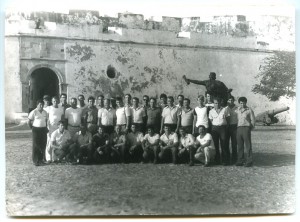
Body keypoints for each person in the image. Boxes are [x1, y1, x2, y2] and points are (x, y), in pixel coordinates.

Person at [209, 98, 230, 165]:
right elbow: (211, 120)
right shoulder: (211, 111)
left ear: (220, 103)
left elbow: (228, 119)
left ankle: (224, 160)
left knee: (223, 143)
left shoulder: (225, 110)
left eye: (218, 103)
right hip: (215, 128)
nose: (217, 104)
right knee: (215, 144)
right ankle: (217, 160)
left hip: (223, 128)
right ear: (213, 104)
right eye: (215, 103)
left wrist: (225, 126)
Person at [236, 97, 255, 167]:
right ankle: (240, 160)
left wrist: (250, 128)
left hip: (246, 128)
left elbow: (253, 120)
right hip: (239, 128)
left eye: (243, 103)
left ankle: (249, 161)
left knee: (248, 145)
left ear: (246, 102)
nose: (242, 104)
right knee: (240, 145)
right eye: (241, 103)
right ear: (239, 103)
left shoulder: (249, 110)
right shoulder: (237, 110)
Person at [28, 99, 48, 166]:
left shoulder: (45, 112)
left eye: (42, 104)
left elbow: (46, 121)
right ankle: (35, 160)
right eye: (40, 104)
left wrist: (46, 128)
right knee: (36, 145)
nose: (41, 106)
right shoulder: (34, 112)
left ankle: (41, 160)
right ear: (37, 105)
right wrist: (32, 128)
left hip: (43, 130)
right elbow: (29, 121)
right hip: (36, 130)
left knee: (42, 144)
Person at [45, 96, 64, 162]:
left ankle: (54, 158)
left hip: (58, 127)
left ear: (58, 101)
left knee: (56, 142)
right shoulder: (49, 108)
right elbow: (47, 118)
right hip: (51, 127)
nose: (55, 102)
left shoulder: (61, 109)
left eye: (56, 101)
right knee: (49, 142)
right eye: (54, 101)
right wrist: (47, 127)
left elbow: (62, 118)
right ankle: (48, 158)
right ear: (52, 102)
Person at [226, 96, 238, 164]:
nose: (230, 101)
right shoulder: (226, 108)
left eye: (232, 100)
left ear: (234, 100)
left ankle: (234, 159)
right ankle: (227, 159)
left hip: (234, 127)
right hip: (227, 127)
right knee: (226, 143)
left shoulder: (237, 108)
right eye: (229, 100)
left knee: (234, 143)